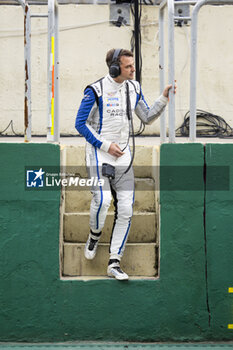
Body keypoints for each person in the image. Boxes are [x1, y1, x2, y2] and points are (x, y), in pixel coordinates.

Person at [75, 48, 175, 281]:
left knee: (127, 209)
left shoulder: (134, 87)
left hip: (124, 156)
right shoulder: (95, 90)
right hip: (100, 154)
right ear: (114, 67)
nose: (133, 69)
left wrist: (164, 98)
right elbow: (80, 124)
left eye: (133, 65)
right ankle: (94, 234)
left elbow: (147, 117)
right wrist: (104, 145)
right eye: (129, 66)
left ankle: (114, 262)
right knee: (104, 200)